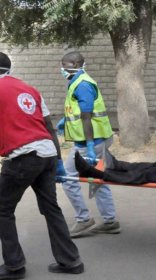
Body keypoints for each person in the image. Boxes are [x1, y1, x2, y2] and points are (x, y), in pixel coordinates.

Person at [0, 52, 84, 279]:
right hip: (46, 153)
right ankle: (71, 261)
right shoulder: (30, 90)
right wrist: (57, 161)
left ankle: (14, 266)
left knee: (3, 209)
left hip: (23, 156)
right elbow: (48, 125)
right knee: (51, 208)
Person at [58, 51, 120, 238]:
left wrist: (91, 146)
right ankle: (110, 221)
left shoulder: (82, 84)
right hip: (96, 139)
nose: (62, 68)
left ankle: (84, 219)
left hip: (89, 143)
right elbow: (80, 111)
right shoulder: (77, 81)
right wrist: (65, 120)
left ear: (76, 63)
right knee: (98, 180)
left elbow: (87, 116)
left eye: (65, 64)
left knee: (68, 178)